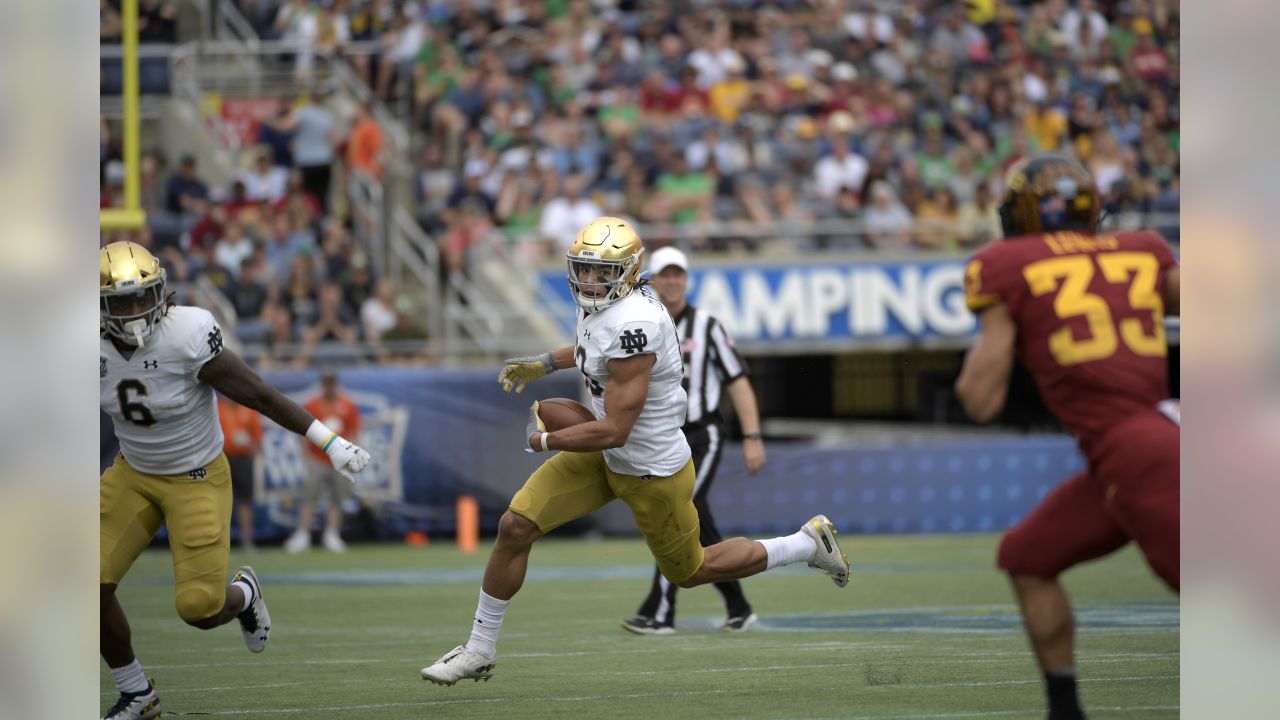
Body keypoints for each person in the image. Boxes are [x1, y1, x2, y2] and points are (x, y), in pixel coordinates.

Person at [420, 217, 850, 687]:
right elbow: (590, 349)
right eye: (583, 269)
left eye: (599, 273)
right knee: (515, 525)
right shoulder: (609, 303)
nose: (588, 280)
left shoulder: (636, 326)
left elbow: (616, 430)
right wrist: (545, 363)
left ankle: (806, 544)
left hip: (651, 471)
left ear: (625, 273)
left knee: (691, 570)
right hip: (606, 456)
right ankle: (480, 648)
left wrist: (547, 439)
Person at [100, 241, 371, 720]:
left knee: (199, 609)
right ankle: (138, 694)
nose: (138, 311)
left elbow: (261, 396)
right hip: (133, 473)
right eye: (124, 302)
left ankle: (245, 594)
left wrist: (329, 442)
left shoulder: (187, 333)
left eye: (145, 297)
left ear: (163, 292)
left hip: (196, 477)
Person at [954, 153, 1179, 720]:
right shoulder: (1143, 249)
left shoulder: (1007, 263)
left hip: (1134, 448)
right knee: (1028, 556)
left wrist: (1007, 327)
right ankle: (1064, 707)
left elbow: (981, 401)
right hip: (1146, 439)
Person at [620, 246, 767, 635]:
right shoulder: (642, 325)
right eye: (665, 275)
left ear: (685, 279)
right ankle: (739, 605)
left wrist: (752, 436)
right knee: (698, 520)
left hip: (704, 434)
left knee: (678, 508)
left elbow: (738, 381)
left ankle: (660, 611)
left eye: (678, 275)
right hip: (663, 437)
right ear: (651, 280)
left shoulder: (707, 326)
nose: (672, 281)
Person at [285, 370, 362, 553]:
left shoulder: (348, 404)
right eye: (326, 383)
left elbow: (355, 430)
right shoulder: (313, 404)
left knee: (337, 497)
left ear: (336, 384)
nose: (329, 386)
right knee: (310, 496)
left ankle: (332, 533)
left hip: (339, 460)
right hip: (317, 458)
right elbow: (303, 430)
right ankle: (303, 534)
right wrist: (306, 454)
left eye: (332, 382)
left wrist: (350, 454)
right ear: (322, 384)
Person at [217, 395, 263, 552]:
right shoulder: (217, 408)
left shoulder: (248, 410)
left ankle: (246, 539)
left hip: (243, 459)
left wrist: (255, 456)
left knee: (244, 501)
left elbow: (257, 437)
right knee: (220, 501)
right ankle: (218, 541)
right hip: (221, 458)